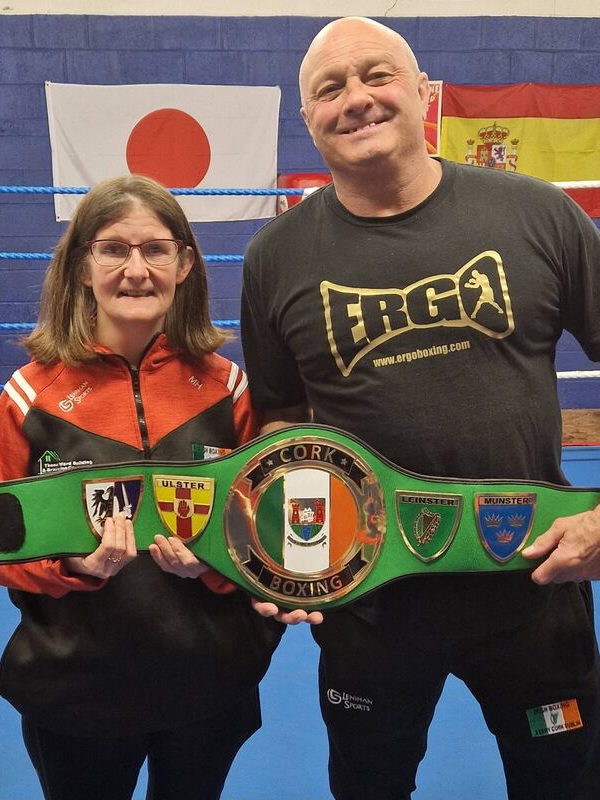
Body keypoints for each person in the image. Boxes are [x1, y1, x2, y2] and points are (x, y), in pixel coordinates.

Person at [240, 16, 600, 800]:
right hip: (369, 606)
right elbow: (280, 418)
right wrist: (286, 546)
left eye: (377, 75)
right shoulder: (275, 257)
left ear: (424, 92)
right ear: (308, 118)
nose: (355, 99)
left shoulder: (537, 214)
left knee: (565, 782)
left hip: (534, 585)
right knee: (369, 785)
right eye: (329, 89)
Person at [0, 175, 283, 800]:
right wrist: (73, 566)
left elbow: (266, 534)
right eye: (113, 249)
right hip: (77, 688)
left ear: (185, 265)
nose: (136, 270)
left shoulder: (228, 388)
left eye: (156, 250)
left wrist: (215, 564)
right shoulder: (31, 394)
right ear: (82, 266)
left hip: (207, 681)